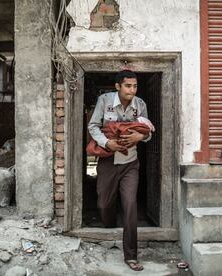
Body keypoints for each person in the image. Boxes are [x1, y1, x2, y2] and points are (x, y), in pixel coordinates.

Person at [88, 70, 152, 271]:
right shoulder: (104, 100)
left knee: (130, 205)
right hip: (107, 161)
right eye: (127, 86)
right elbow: (93, 126)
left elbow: (147, 131)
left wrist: (140, 138)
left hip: (130, 163)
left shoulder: (140, 105)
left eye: (134, 86)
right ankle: (108, 222)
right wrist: (107, 143)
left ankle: (131, 256)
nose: (132, 90)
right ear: (118, 86)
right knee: (104, 202)